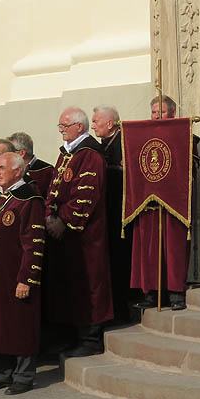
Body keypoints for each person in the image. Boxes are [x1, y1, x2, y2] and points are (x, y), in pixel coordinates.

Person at [0, 152, 45, 395]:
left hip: (15, 275)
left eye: (3, 167)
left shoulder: (28, 199)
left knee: (19, 325)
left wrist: (26, 279)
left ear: (18, 171)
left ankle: (23, 376)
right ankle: (2, 373)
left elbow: (33, 243)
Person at [45, 107, 113, 357]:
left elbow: (86, 195)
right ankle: (71, 335)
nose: (61, 130)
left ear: (79, 127)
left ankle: (91, 338)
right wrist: (49, 217)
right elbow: (54, 188)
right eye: (60, 126)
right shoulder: (67, 154)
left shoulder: (90, 155)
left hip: (84, 234)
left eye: (64, 125)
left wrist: (62, 221)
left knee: (89, 283)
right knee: (68, 284)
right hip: (62, 233)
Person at [131, 96, 194, 311]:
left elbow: (188, 169)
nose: (157, 117)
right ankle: (152, 294)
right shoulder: (143, 139)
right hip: (148, 204)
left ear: (173, 113)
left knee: (173, 251)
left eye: (162, 112)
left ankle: (176, 293)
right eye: (154, 113)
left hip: (173, 205)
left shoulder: (186, 137)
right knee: (150, 252)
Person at [92, 104, 133, 323]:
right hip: (107, 211)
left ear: (110, 124)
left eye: (96, 121)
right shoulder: (103, 144)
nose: (93, 125)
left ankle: (122, 309)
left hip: (121, 212)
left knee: (119, 261)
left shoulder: (123, 142)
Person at [9, 131, 54, 197]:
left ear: (21, 153)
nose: (6, 156)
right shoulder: (9, 170)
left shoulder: (47, 171)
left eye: (9, 151)